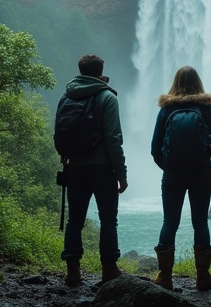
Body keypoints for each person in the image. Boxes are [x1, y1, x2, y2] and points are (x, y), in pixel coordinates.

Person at [151, 65, 211, 291]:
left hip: (173, 174)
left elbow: (155, 147)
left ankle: (165, 276)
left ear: (175, 83)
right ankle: (203, 276)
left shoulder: (166, 109)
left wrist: (168, 167)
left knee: (169, 222)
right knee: (200, 222)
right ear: (198, 83)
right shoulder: (205, 109)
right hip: (201, 173)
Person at [60, 54, 128, 287]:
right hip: (102, 167)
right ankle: (109, 269)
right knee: (108, 220)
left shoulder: (66, 96)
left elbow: (61, 133)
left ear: (80, 70)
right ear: (101, 71)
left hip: (75, 167)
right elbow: (112, 138)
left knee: (74, 221)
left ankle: (72, 271)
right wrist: (121, 173)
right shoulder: (107, 97)